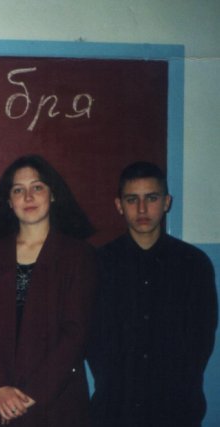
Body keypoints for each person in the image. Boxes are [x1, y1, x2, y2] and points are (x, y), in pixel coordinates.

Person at [0, 154, 97, 426]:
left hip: (56, 398)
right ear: (9, 201)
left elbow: (76, 332)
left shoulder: (78, 255)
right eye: (18, 190)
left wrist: (33, 394)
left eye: (37, 187)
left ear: (53, 194)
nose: (28, 197)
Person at [87, 161, 218, 427]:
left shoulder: (193, 264)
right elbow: (92, 337)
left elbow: (202, 337)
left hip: (176, 407)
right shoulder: (98, 264)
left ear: (167, 202)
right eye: (132, 199)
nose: (142, 209)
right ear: (119, 205)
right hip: (115, 408)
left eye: (152, 198)